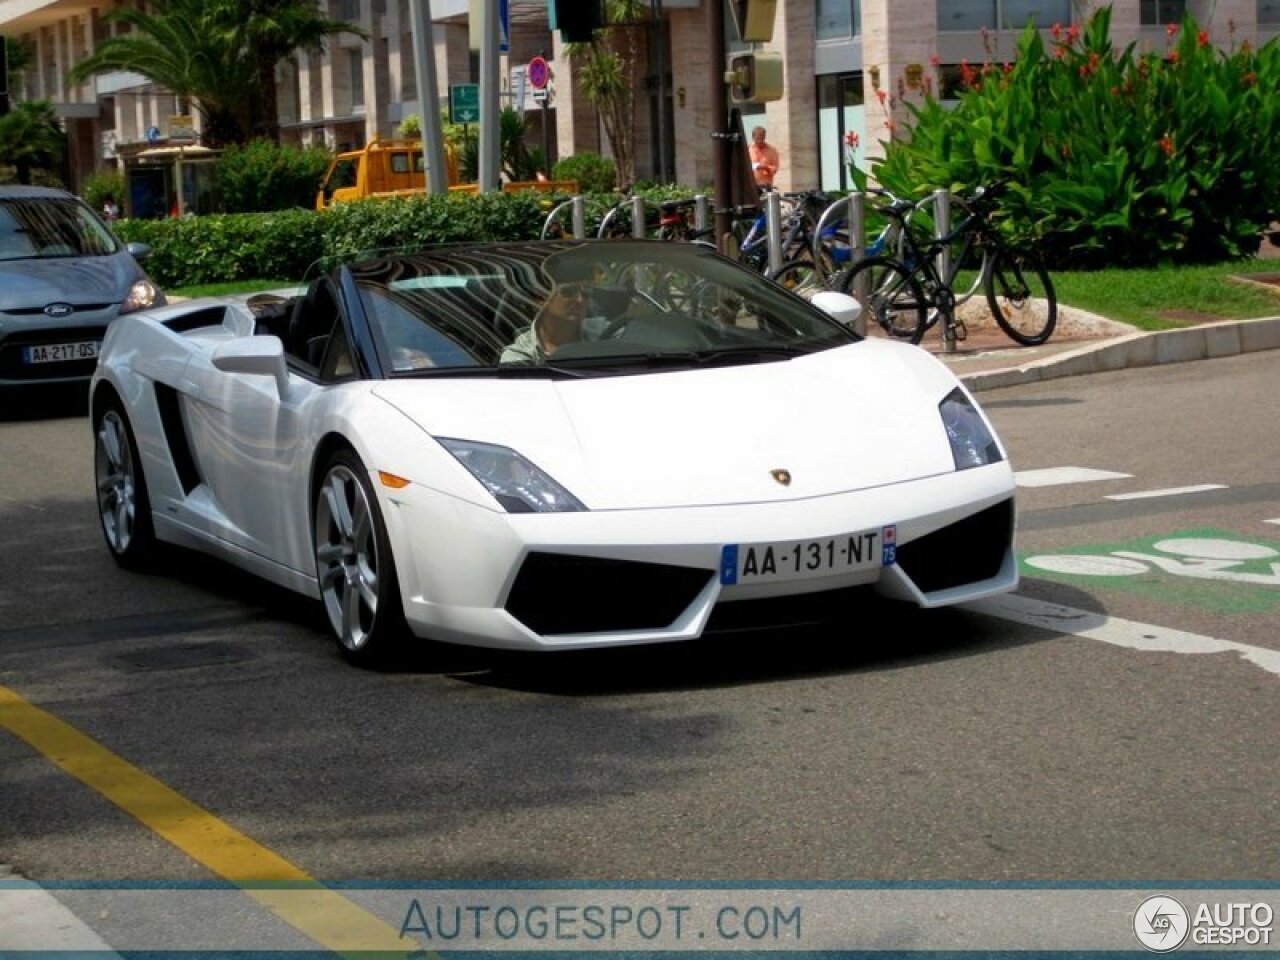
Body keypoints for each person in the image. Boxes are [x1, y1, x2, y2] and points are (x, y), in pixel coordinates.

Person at [500, 255, 606, 364]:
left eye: (586, 292)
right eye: (568, 292)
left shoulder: (604, 331)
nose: (580, 300)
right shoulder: (519, 356)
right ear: (540, 298)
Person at [748, 125, 779, 191]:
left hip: (765, 187)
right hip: (750, 187)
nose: (760, 141)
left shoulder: (772, 151)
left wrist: (766, 168)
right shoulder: (747, 150)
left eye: (762, 138)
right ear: (753, 138)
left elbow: (775, 168)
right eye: (758, 138)